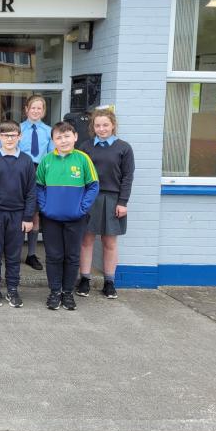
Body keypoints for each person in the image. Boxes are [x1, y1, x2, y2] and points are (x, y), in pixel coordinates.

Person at [37, 121, 99, 311]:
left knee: (72, 256)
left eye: (67, 136)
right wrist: (44, 207)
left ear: (75, 137)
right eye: (59, 137)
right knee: (53, 256)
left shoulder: (83, 159)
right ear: (53, 140)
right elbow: (38, 186)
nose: (63, 140)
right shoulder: (46, 160)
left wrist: (82, 208)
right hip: (51, 219)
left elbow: (93, 186)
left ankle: (67, 293)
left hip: (76, 218)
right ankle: (55, 292)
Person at [0, 120, 37, 308]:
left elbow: (31, 191)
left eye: (13, 135)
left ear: (20, 136)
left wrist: (28, 217)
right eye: (5, 135)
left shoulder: (27, 161)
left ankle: (12, 289)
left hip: (18, 216)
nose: (9, 139)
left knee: (13, 255)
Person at [78, 109, 135, 299]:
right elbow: (80, 174)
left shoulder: (124, 148)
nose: (101, 129)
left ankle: (109, 282)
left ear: (113, 125)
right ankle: (84, 279)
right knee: (86, 240)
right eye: (97, 125)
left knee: (109, 242)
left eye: (105, 125)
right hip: (89, 198)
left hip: (112, 199)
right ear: (92, 127)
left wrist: (123, 202)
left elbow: (127, 177)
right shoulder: (85, 147)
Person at [19, 94, 54, 271]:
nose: (36, 111)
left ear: (44, 111)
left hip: (40, 172)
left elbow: (51, 155)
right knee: (19, 212)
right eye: (33, 107)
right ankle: (15, 251)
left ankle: (31, 254)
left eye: (39, 108)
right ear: (26, 109)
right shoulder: (18, 129)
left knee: (34, 215)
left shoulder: (49, 131)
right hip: (20, 172)